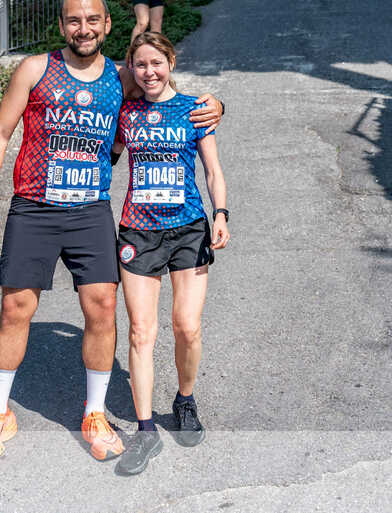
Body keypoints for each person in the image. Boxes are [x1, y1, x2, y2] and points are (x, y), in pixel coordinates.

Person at [0, 0, 224, 463]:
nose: (82, 29)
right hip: (35, 207)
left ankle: (95, 414)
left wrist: (216, 105)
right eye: (73, 20)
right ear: (61, 25)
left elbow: (164, 89)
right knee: (16, 307)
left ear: (107, 25)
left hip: (90, 211)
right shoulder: (34, 69)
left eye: (92, 20)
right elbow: (1, 132)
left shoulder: (121, 76)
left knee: (103, 308)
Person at [111, 32, 230, 476]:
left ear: (171, 62)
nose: (150, 72)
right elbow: (108, 157)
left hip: (188, 229)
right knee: (141, 332)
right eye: (140, 65)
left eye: (156, 63)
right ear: (131, 68)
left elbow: (213, 171)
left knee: (187, 327)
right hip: (138, 231)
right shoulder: (125, 112)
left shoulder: (195, 109)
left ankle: (185, 400)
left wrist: (221, 213)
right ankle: (145, 432)